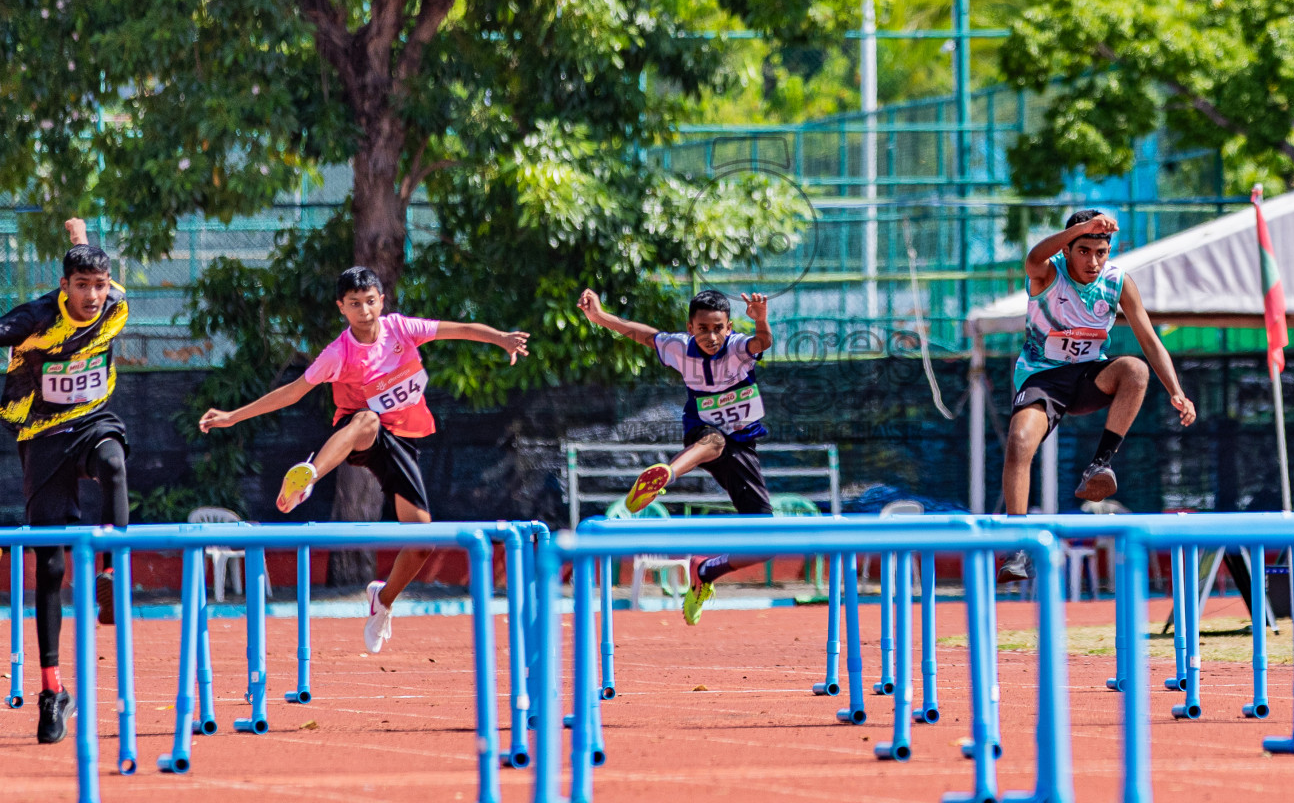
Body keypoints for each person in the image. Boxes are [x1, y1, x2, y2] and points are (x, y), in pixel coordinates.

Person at [199, 266, 528, 652]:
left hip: (402, 442)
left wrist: (501, 338)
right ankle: (309, 478)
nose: (365, 311)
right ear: (342, 307)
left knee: (424, 539)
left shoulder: (402, 329)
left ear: (381, 301)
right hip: (358, 432)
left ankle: (382, 600)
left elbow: (463, 329)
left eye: (370, 301)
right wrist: (232, 416)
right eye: (354, 304)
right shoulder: (338, 352)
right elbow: (291, 392)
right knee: (367, 419)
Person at [999, 210, 1197, 583]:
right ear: (1068, 248)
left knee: (1135, 370)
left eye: (1101, 252)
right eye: (1084, 250)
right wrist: (1079, 229)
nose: (1093, 261)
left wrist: (1177, 391)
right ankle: (1019, 546)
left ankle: (1100, 464)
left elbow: (1150, 340)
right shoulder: (1048, 273)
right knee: (1019, 441)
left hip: (1090, 376)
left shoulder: (1117, 282)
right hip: (1043, 377)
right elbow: (1033, 258)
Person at [0, 218, 130, 743]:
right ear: (63, 288)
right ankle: (53, 691)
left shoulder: (115, 302)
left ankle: (111, 573)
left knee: (115, 465)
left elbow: (91, 263)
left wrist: (80, 237)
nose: (94, 296)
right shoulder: (33, 319)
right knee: (49, 566)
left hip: (93, 420)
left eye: (100, 285)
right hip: (42, 436)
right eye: (82, 287)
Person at [577, 287, 773, 625]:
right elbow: (639, 333)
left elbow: (762, 343)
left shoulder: (739, 347)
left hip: (742, 443)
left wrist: (761, 322)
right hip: (702, 433)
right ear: (690, 327)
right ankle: (666, 475)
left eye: (717, 328)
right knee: (713, 441)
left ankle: (707, 569)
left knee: (767, 543)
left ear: (728, 327)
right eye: (702, 329)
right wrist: (599, 317)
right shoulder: (679, 348)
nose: (710, 337)